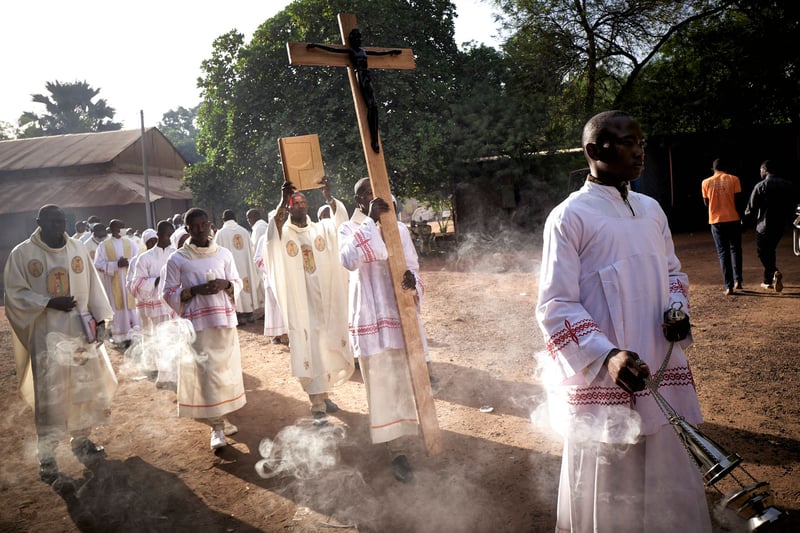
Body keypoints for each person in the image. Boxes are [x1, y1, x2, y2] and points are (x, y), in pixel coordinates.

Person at [536, 111, 711, 532]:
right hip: (608, 374)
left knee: (667, 467)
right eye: (627, 142)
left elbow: (672, 273)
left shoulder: (651, 209)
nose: (639, 151)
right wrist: (607, 356)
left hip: (659, 361)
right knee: (611, 483)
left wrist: (677, 310)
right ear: (593, 150)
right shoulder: (569, 216)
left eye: (640, 142)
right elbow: (556, 303)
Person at [3, 205, 117, 483]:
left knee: (83, 387)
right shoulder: (22, 254)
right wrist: (48, 302)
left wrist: (101, 319)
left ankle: (82, 440)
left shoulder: (77, 248)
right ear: (38, 222)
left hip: (79, 333)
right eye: (52, 221)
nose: (58, 225)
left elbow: (93, 286)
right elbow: (14, 295)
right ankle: (47, 456)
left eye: (61, 220)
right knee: (50, 395)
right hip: (47, 337)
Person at [338, 177, 430, 483]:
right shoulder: (348, 229)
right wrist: (370, 221)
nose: (374, 197)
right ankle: (396, 451)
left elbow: (413, 266)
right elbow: (348, 260)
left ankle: (404, 437)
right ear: (358, 201)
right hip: (370, 317)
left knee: (402, 382)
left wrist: (412, 283)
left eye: (377, 192)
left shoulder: (399, 229)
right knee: (381, 386)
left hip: (397, 316)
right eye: (367, 194)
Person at [266, 178, 354, 421]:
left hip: (325, 303)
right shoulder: (284, 233)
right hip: (302, 305)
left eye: (303, 201)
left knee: (325, 348)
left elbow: (340, 225)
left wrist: (329, 197)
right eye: (295, 202)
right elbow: (272, 235)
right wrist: (282, 200)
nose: (300, 205)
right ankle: (317, 406)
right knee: (311, 350)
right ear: (288, 207)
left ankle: (323, 394)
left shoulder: (320, 230)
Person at [162, 208, 246, 450]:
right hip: (197, 325)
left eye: (204, 224)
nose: (200, 229)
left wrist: (225, 284)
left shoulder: (223, 253)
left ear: (210, 225)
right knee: (207, 374)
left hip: (223, 321)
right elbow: (167, 292)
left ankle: (224, 417)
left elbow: (237, 282)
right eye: (195, 226)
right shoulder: (177, 258)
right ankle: (216, 426)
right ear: (186, 229)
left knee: (224, 371)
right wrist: (194, 291)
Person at [307, 28, 402, 153]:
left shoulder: (363, 51)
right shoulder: (352, 51)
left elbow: (378, 53)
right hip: (361, 76)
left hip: (367, 75)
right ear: (352, 40)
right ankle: (374, 140)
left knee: (374, 106)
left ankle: (374, 138)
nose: (359, 40)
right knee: (371, 105)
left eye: (360, 38)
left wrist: (392, 52)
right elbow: (333, 50)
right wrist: (316, 46)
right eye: (356, 38)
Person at [129, 224, 178, 382]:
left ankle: (177, 374)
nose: (169, 239)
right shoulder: (145, 258)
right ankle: (164, 376)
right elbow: (137, 283)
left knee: (175, 339)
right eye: (166, 235)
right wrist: (157, 280)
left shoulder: (176, 254)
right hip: (156, 306)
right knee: (160, 339)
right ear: (158, 234)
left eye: (171, 235)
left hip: (174, 305)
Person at [744, 159, 798, 292]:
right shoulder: (787, 185)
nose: (760, 173)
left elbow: (751, 207)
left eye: (760, 170)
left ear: (765, 170)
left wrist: (744, 223)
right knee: (770, 250)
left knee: (762, 252)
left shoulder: (761, 186)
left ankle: (774, 272)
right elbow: (793, 204)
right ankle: (768, 280)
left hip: (764, 225)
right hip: (780, 225)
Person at [93, 219, 140, 348]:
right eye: (120, 227)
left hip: (129, 281)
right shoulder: (104, 245)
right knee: (118, 308)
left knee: (131, 307)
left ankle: (134, 335)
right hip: (114, 283)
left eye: (123, 227)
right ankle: (120, 336)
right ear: (113, 229)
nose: (122, 229)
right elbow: (98, 264)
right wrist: (116, 265)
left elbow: (138, 260)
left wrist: (129, 262)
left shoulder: (131, 243)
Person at [701, 158, 744, 295]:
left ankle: (728, 286)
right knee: (736, 250)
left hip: (716, 221)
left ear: (713, 169)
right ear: (726, 168)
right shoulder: (734, 179)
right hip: (733, 218)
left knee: (723, 253)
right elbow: (739, 201)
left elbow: (706, 203)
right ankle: (738, 281)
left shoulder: (706, 182)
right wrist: (742, 218)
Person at [214, 210, 263, 324]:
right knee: (245, 283)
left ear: (223, 220)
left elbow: (215, 252)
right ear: (235, 218)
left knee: (234, 284)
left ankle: (238, 314)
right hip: (245, 266)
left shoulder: (221, 234)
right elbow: (252, 250)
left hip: (230, 267)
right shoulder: (244, 231)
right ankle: (249, 313)